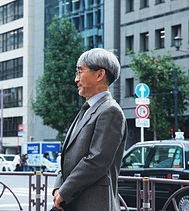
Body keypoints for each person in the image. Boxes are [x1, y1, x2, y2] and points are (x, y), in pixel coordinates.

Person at [53, 48, 127, 211]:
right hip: (75, 200)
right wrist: (59, 187)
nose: (76, 79)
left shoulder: (110, 111)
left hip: (94, 203)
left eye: (80, 72)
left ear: (99, 75)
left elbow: (96, 161)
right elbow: (66, 156)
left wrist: (64, 191)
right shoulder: (87, 109)